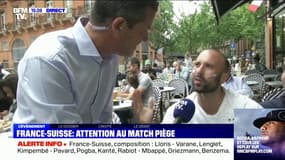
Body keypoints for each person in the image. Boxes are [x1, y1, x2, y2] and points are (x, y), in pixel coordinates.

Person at [13, 0, 159, 123]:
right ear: (119, 25)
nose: (146, 38)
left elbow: (103, 121)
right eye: (145, 29)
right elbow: (70, 142)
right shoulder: (49, 59)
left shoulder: (111, 57)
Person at [133, 49, 262, 123]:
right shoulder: (175, 114)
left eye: (209, 66)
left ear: (224, 76)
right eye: (197, 64)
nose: (199, 71)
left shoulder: (249, 111)